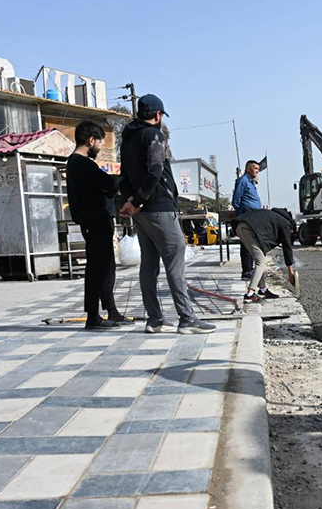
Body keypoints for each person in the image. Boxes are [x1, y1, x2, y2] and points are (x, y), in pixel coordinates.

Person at [118, 94, 215, 335]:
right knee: (175, 261)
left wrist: (131, 202)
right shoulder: (153, 135)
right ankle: (187, 318)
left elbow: (124, 177)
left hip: (141, 214)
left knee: (148, 266)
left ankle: (155, 319)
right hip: (159, 207)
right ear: (158, 115)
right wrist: (139, 200)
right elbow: (155, 171)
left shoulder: (127, 141)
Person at [67, 119, 126, 330]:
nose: (100, 148)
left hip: (98, 219)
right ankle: (93, 315)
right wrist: (123, 178)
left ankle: (111, 310)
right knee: (97, 267)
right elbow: (108, 184)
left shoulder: (79, 164)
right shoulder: (81, 164)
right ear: (91, 140)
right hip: (94, 220)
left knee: (106, 265)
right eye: (100, 143)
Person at [235, 207, 296, 303]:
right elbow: (287, 248)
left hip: (241, 227)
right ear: (292, 228)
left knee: (260, 259)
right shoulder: (286, 225)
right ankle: (250, 294)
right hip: (248, 230)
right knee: (261, 262)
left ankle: (263, 290)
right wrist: (290, 272)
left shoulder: (275, 217)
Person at [232, 160, 263, 280]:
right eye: (255, 168)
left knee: (252, 242)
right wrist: (241, 214)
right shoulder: (243, 181)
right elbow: (236, 200)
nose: (257, 171)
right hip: (247, 215)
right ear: (247, 169)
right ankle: (246, 270)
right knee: (246, 243)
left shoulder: (252, 182)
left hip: (254, 215)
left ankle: (251, 268)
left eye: (258, 169)